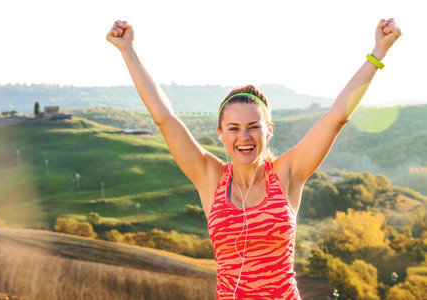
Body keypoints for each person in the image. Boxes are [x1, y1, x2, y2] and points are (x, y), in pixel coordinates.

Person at [106, 18, 402, 300]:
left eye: (253, 127)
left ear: (268, 130)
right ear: (220, 133)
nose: (244, 137)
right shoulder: (210, 177)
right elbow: (164, 117)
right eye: (233, 128)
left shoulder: (287, 173)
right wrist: (128, 50)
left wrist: (379, 50)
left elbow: (338, 116)